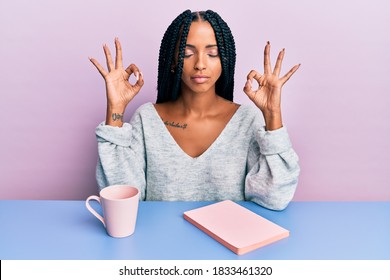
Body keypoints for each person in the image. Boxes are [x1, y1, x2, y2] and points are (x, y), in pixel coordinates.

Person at [89, 10, 300, 210]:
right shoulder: (147, 119)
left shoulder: (247, 120)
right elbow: (120, 198)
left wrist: (273, 115)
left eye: (213, 53)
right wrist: (115, 110)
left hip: (225, 246)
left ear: (224, 60)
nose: (200, 64)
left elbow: (275, 199)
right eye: (188, 53)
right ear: (173, 61)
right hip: (160, 244)